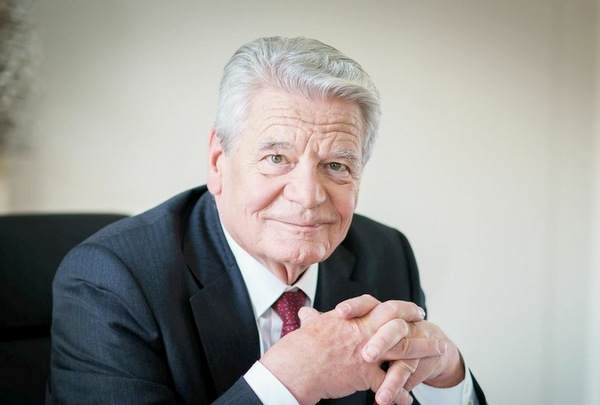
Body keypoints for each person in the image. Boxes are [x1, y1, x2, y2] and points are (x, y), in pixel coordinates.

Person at [46, 36, 487, 405]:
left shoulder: (386, 254)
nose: (309, 195)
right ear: (219, 162)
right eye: (277, 158)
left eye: (336, 165)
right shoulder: (110, 282)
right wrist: (287, 380)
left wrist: (448, 375)